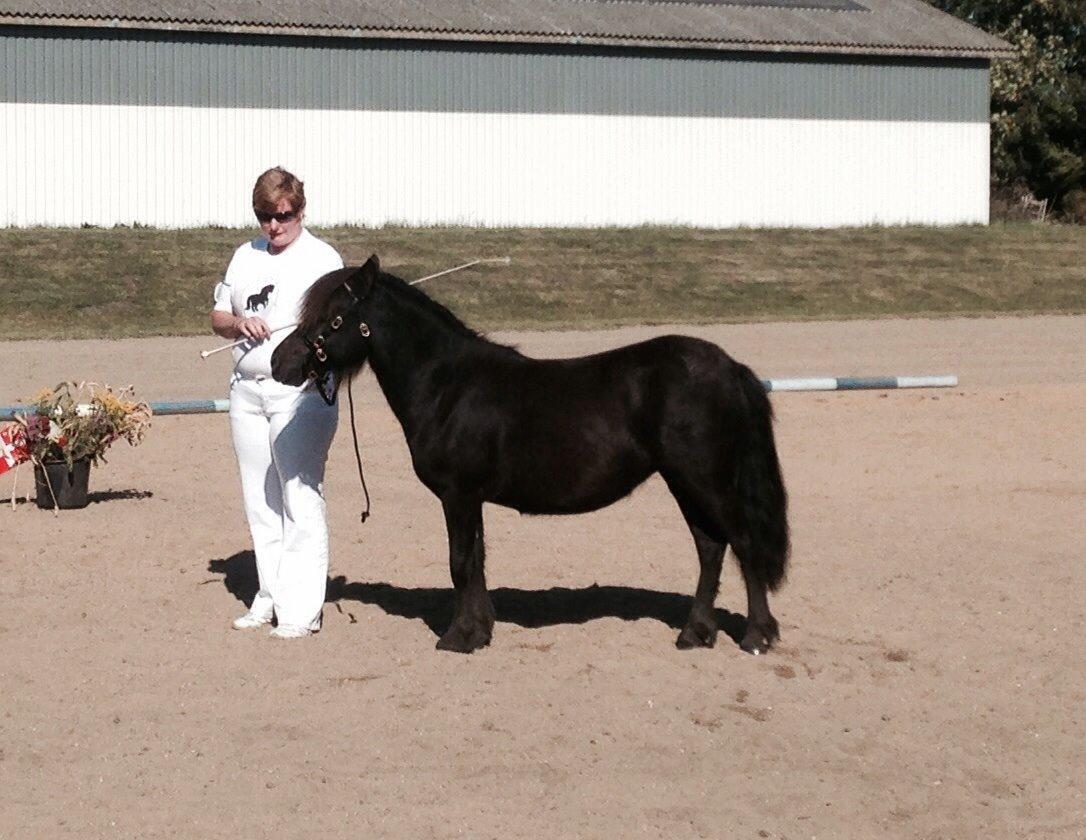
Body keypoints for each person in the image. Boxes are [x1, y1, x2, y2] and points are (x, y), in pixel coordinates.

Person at [211, 167, 343, 638]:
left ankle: (302, 610)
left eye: (283, 215)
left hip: (300, 395)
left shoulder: (323, 259)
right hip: (246, 392)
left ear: (301, 210)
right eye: (265, 216)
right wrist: (238, 324)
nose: (274, 225)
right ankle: (269, 594)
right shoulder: (244, 256)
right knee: (260, 499)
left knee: (298, 497)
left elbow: (339, 329)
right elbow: (218, 316)